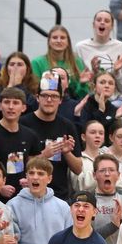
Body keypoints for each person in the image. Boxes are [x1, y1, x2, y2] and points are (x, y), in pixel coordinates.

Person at [20, 74, 82, 202]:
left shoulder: (67, 126)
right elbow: (16, 165)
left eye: (54, 96)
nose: (49, 100)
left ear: (60, 100)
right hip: (28, 194)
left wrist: (67, 153)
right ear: (37, 98)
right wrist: (44, 155)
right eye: (45, 95)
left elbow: (78, 169)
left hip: (59, 196)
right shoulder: (23, 124)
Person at [0, 87, 42, 196]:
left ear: (23, 107)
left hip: (23, 196)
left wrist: (30, 181)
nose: (11, 107)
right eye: (6, 102)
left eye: (16, 103)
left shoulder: (30, 135)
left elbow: (34, 166)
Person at [75, 10, 122, 95]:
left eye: (106, 21)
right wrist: (93, 73)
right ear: (93, 25)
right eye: (99, 20)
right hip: (91, 97)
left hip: (115, 99)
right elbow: (79, 85)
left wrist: (117, 72)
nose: (102, 23)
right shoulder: (81, 47)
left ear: (112, 26)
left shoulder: (120, 47)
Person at [31, 25, 90, 99]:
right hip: (47, 103)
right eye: (55, 38)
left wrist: (82, 84)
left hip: (72, 104)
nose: (58, 41)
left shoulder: (77, 62)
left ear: (68, 42)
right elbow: (35, 91)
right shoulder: (37, 63)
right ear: (49, 41)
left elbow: (82, 95)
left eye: (62, 38)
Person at [0, 51, 39, 123]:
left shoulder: (35, 88)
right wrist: (10, 87)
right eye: (12, 64)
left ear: (27, 69)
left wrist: (19, 86)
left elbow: (32, 109)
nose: (15, 67)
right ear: (6, 68)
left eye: (20, 65)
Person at [74, 70, 121, 136]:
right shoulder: (84, 104)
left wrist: (116, 118)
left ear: (114, 88)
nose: (107, 86)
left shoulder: (113, 109)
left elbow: (111, 135)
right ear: (94, 86)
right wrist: (100, 111)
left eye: (110, 83)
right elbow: (86, 130)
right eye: (102, 82)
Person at [70, 120, 106, 193]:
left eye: (101, 133)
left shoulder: (108, 158)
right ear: (83, 137)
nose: (97, 136)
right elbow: (79, 186)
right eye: (93, 132)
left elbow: (119, 182)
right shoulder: (77, 159)